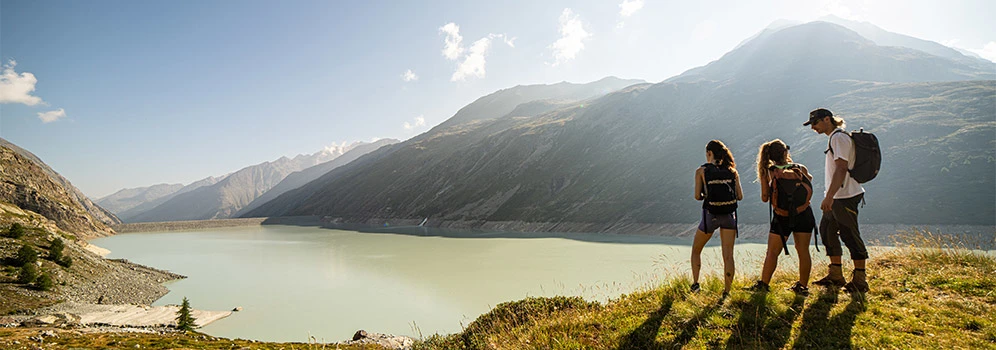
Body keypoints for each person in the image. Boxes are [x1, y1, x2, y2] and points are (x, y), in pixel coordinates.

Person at [804, 108, 869, 293]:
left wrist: (829, 196)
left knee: (850, 234)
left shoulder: (839, 138)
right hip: (839, 196)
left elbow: (841, 168)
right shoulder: (835, 137)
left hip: (844, 196)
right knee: (827, 230)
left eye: (815, 123)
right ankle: (835, 275)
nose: (813, 128)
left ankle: (860, 279)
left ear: (827, 119)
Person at [748, 139, 815, 295]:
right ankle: (802, 286)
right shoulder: (800, 168)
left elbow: (765, 197)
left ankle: (763, 285)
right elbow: (809, 181)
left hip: (781, 217)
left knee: (772, 252)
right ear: (786, 152)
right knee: (803, 250)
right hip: (804, 213)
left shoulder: (769, 171)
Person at [690, 140, 743, 298]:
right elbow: (739, 196)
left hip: (710, 216)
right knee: (728, 255)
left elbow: (696, 196)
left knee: (696, 250)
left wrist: (707, 194)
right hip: (729, 216)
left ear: (709, 153)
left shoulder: (701, 171)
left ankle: (696, 284)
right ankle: (727, 292)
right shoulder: (732, 171)